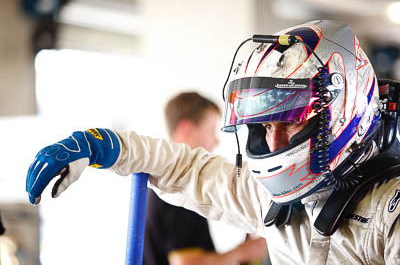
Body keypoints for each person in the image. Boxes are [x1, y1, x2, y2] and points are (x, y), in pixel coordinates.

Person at [26, 20, 400, 264]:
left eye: (292, 122)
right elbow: (184, 168)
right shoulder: (270, 197)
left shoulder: (390, 211)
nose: (274, 143)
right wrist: (105, 146)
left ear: (342, 111)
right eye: (263, 127)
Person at [143, 92, 268, 265]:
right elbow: (186, 263)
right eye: (211, 130)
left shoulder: (167, 180)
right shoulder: (178, 186)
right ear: (186, 128)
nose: (215, 141)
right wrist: (246, 251)